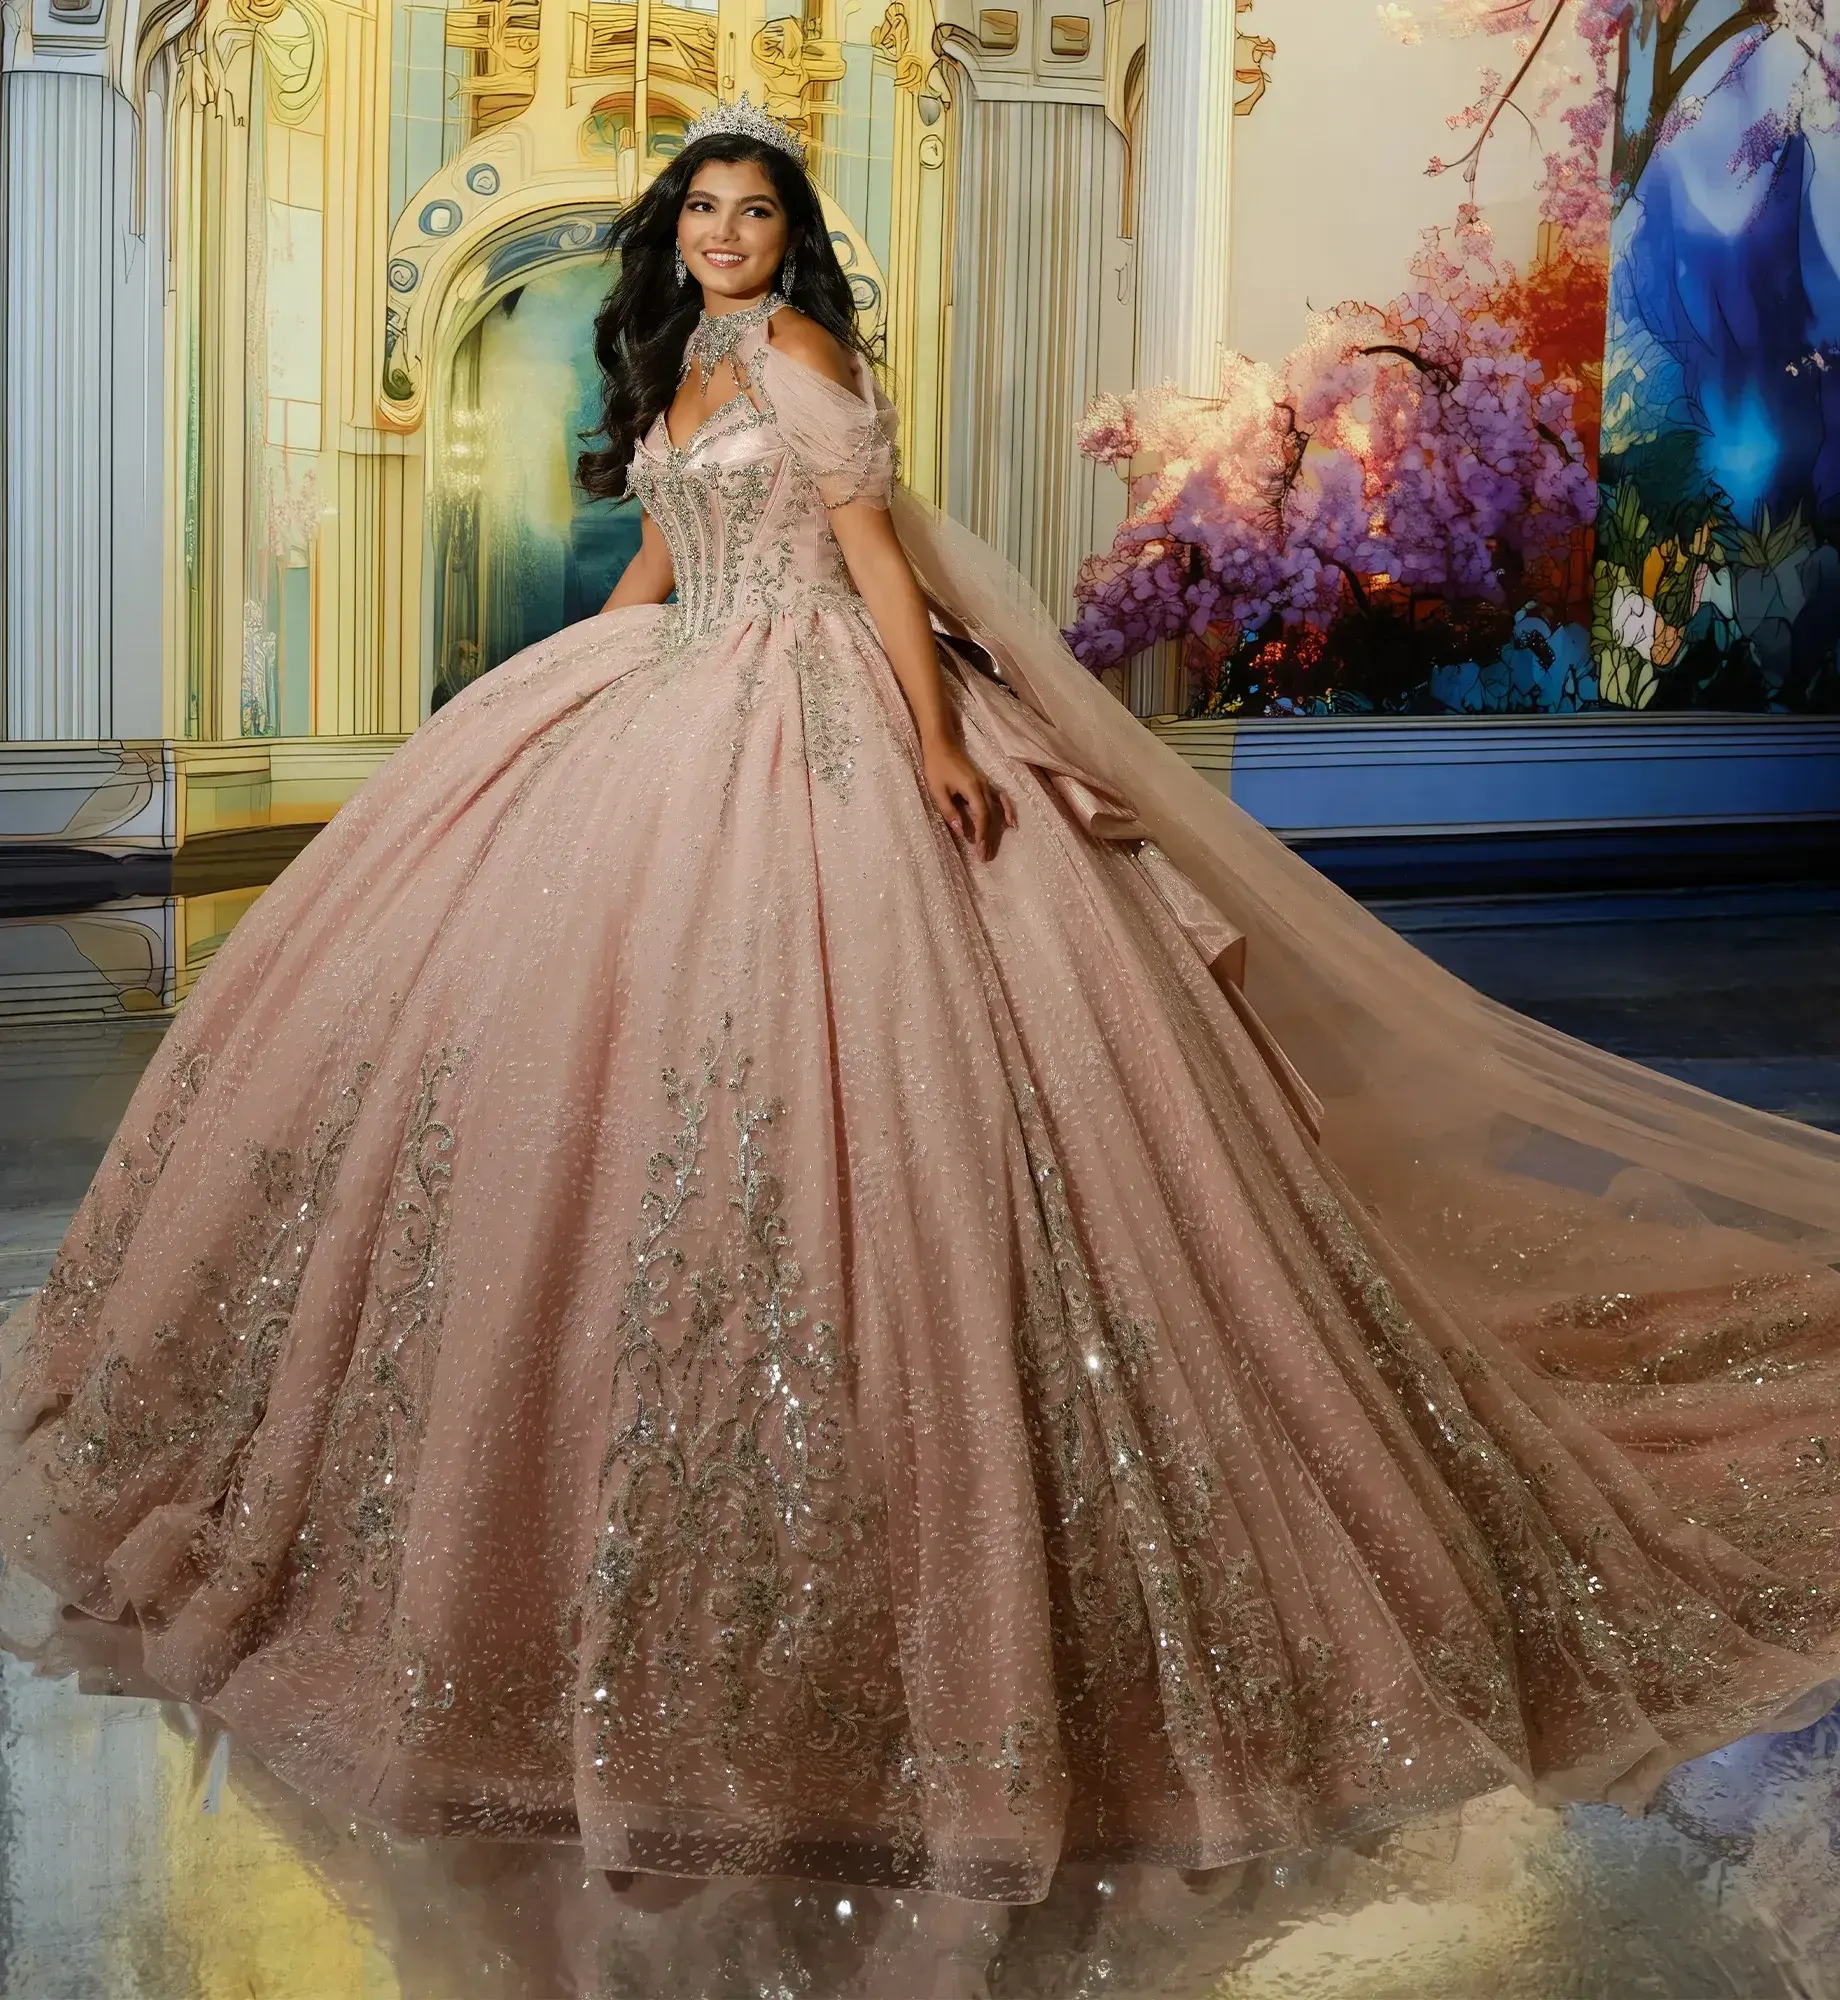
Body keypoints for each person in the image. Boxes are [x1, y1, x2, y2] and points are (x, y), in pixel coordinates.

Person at [2, 96, 1839, 1907]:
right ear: (678, 233)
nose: (729, 236)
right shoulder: (674, 362)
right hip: (672, 687)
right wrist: (538, 687)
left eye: (755, 213)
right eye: (705, 213)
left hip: (811, 711)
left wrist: (946, 745)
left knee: (860, 1049)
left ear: (792, 236)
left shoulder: (797, 352)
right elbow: (658, 563)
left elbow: (877, 564)